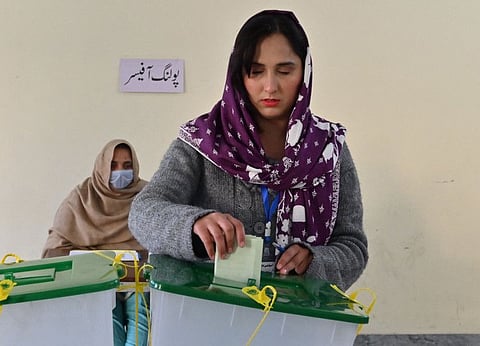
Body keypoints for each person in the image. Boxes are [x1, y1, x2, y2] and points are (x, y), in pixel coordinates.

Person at [128, 10, 367, 290]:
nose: (270, 86)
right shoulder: (203, 141)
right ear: (239, 76)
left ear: (305, 71)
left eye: (285, 70)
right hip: (208, 313)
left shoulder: (329, 148)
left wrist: (316, 260)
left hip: (297, 319)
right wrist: (194, 224)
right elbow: (143, 213)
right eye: (256, 71)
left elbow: (353, 246)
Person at [42, 139, 150, 346]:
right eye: (113, 165)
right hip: (95, 283)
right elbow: (53, 253)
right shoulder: (81, 198)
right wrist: (97, 266)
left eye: (127, 166)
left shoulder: (147, 197)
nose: (120, 172)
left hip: (138, 280)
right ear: (102, 167)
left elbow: (162, 245)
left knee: (141, 327)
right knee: (109, 328)